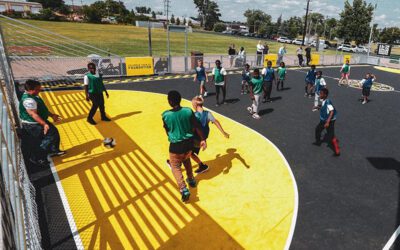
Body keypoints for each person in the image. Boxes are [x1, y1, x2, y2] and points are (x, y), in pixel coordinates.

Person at [162, 91, 207, 202]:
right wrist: (203, 139)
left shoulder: (166, 115)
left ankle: (183, 189)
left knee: (175, 167)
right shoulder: (188, 111)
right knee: (186, 160)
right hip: (189, 144)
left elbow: (167, 131)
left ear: (170, 101)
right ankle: (191, 179)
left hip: (176, 146)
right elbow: (197, 126)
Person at [20, 80, 66, 166]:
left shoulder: (34, 96)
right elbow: (33, 114)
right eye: (37, 89)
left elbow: (41, 109)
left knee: (54, 132)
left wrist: (52, 115)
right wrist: (44, 124)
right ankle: (38, 158)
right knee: (48, 138)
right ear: (30, 89)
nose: (39, 91)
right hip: (32, 124)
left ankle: (53, 150)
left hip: (39, 120)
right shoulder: (29, 100)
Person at [191, 96, 229, 173]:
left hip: (195, 139)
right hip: (202, 139)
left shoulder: (194, 115)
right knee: (189, 153)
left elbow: (192, 128)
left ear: (195, 105)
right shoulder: (208, 114)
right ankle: (201, 165)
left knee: (185, 151)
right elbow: (216, 122)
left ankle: (174, 163)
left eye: (193, 104)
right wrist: (223, 132)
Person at [313, 88, 340, 156]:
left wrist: (328, 122)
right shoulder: (324, 100)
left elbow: (331, 111)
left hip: (329, 120)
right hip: (324, 119)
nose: (319, 95)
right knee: (318, 129)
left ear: (325, 95)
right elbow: (323, 106)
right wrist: (317, 107)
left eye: (321, 94)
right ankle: (318, 141)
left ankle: (337, 151)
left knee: (331, 135)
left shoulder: (328, 102)